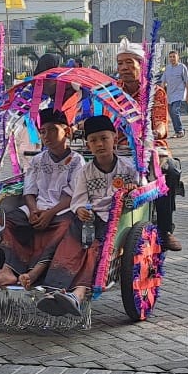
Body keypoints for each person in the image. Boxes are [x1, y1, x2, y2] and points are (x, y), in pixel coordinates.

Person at [37, 116, 138, 317]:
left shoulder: (129, 168)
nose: (99, 144)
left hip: (114, 222)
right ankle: (54, 291)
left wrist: (132, 189)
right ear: (88, 145)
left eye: (104, 138)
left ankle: (79, 293)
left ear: (114, 138)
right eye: (93, 141)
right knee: (68, 248)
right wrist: (80, 209)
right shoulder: (85, 172)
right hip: (88, 219)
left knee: (92, 251)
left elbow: (139, 190)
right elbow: (78, 199)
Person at [0, 109, 84, 290]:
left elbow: (73, 195)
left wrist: (50, 214)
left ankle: (36, 271)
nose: (46, 136)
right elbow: (29, 190)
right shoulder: (37, 160)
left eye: (52, 130)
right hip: (36, 208)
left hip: (62, 210)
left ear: (66, 131)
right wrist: (34, 210)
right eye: (42, 131)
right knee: (7, 220)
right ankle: (8, 269)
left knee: (67, 227)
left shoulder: (77, 161)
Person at [115, 39, 182, 251]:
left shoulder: (155, 92)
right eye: (120, 63)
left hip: (150, 147)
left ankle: (164, 229)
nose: (124, 68)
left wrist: (147, 133)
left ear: (141, 65)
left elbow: (161, 125)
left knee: (169, 170)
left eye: (129, 62)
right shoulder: (111, 91)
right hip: (116, 147)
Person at [161, 50, 188, 138]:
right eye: (170, 57)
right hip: (170, 94)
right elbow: (163, 82)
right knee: (171, 113)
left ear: (178, 58)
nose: (172, 58)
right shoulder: (167, 68)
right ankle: (177, 131)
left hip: (179, 93)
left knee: (175, 111)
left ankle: (180, 130)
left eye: (174, 56)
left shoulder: (182, 67)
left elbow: (187, 81)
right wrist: (161, 93)